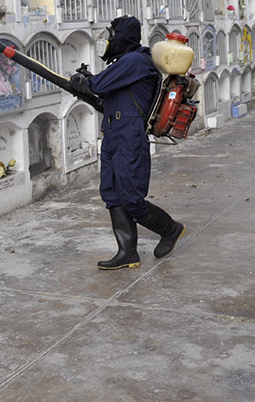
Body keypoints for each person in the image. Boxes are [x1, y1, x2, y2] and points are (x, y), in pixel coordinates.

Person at [69, 16, 185, 270]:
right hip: (113, 134)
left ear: (122, 37)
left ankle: (170, 229)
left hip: (129, 137)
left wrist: (86, 82)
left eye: (111, 35)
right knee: (112, 194)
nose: (107, 41)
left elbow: (98, 85)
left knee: (131, 197)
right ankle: (127, 252)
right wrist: (86, 89)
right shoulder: (124, 62)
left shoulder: (135, 60)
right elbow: (105, 99)